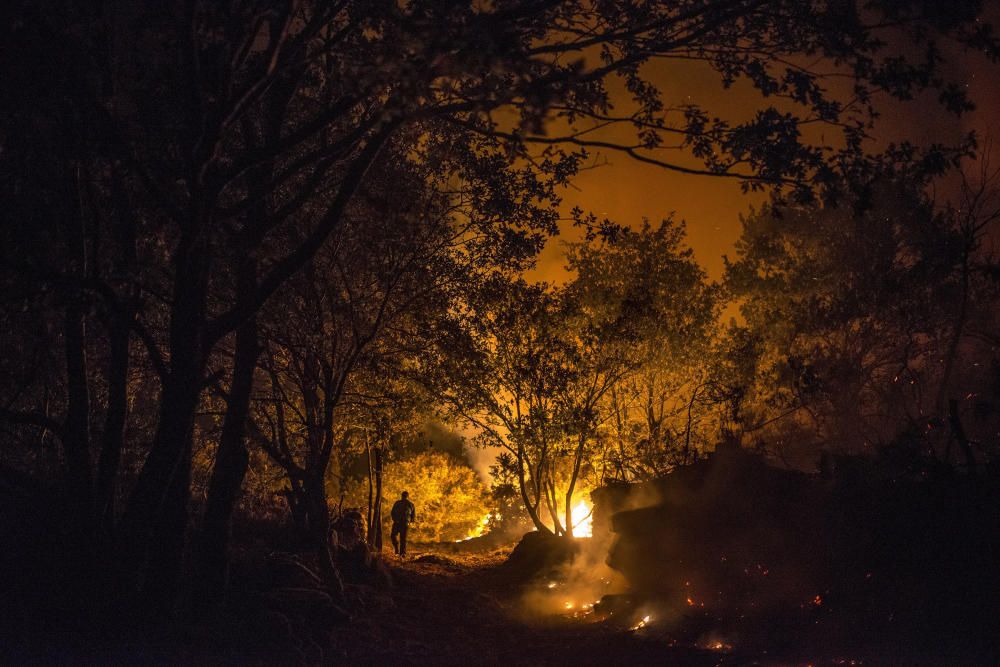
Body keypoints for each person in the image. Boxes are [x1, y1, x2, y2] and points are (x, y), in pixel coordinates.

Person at [389, 491, 416, 557]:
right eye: (403, 496)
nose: (404, 497)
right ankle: (398, 550)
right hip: (398, 522)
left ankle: (402, 553)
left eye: (404, 496)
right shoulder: (398, 503)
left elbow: (413, 516)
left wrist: (409, 521)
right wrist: (395, 519)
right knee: (395, 537)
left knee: (402, 539)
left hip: (404, 523)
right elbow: (392, 512)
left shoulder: (410, 504)